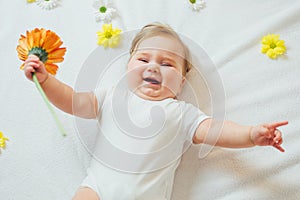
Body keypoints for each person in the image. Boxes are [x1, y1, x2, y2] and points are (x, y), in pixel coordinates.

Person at [23, 22, 288, 200]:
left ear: (182, 82)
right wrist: (47, 81)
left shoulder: (182, 113)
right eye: (143, 59)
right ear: (128, 66)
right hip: (97, 190)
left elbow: (216, 131)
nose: (153, 67)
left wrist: (252, 134)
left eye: (167, 64)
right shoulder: (112, 97)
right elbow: (72, 101)